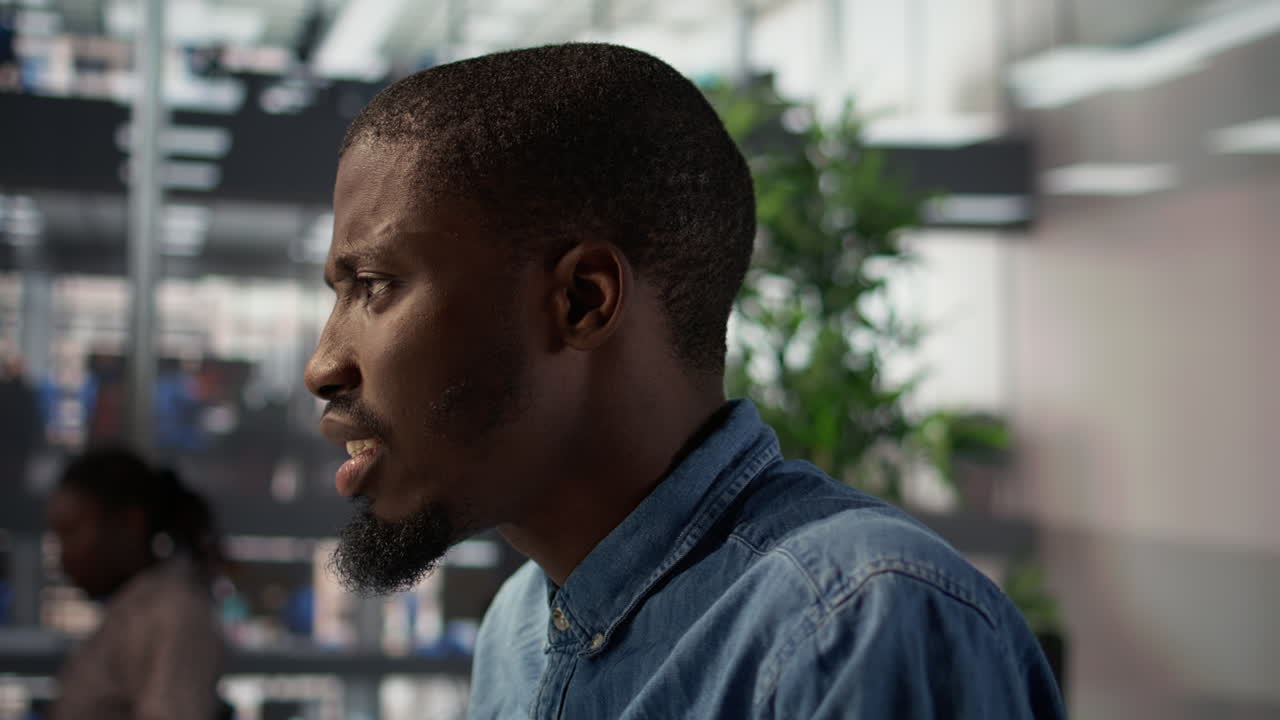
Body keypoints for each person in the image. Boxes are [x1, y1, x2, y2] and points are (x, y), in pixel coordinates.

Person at [303, 43, 1065, 719]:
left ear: (582, 301)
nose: (323, 364)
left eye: (372, 285)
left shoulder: (855, 624)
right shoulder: (520, 629)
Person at [46, 448, 227, 720]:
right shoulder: (134, 611)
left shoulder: (172, 615)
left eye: (72, 532)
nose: (64, 555)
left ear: (130, 523)